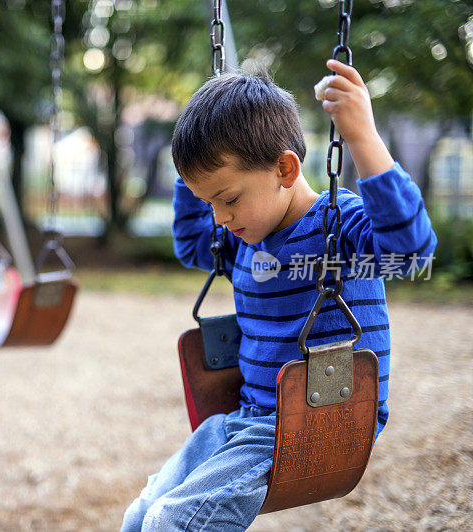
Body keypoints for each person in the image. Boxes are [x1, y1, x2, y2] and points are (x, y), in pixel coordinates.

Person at [121, 59, 437, 531]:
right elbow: (192, 246)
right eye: (210, 203)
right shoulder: (246, 238)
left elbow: (411, 251)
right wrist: (194, 179)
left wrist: (362, 138)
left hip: (316, 421)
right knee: (142, 513)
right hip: (246, 421)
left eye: (227, 199)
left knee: (175, 521)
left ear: (285, 169)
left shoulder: (337, 224)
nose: (221, 218)